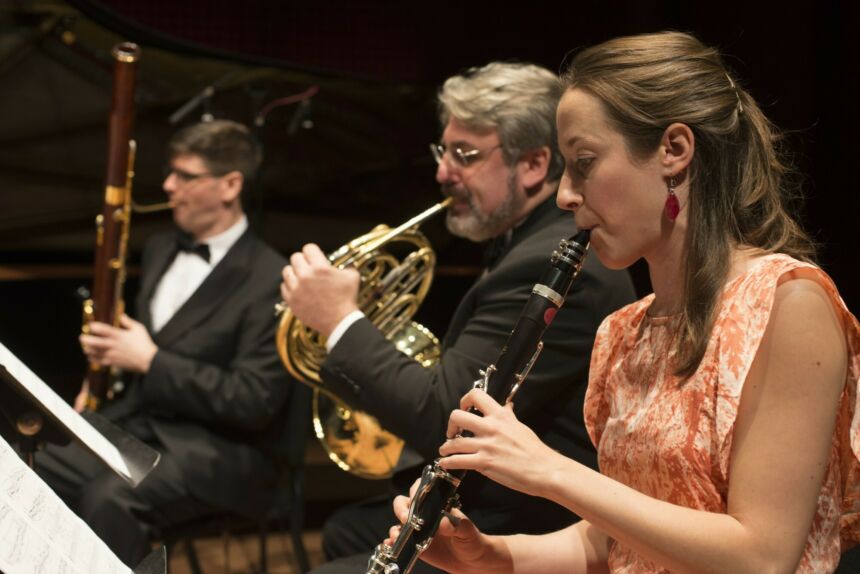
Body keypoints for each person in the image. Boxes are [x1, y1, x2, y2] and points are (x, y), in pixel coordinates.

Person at [388, 31, 860, 574]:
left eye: (584, 162)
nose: (566, 195)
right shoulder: (623, 330)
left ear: (674, 152)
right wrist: (496, 557)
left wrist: (549, 470)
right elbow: (616, 538)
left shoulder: (788, 303)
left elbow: (761, 556)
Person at [281, 62, 636, 572]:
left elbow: (442, 415)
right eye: (442, 151)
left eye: (464, 155)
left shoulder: (550, 259)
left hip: (525, 521)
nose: (442, 172)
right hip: (492, 497)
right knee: (345, 532)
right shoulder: (521, 245)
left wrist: (339, 321)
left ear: (534, 165)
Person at [35, 119, 296, 566]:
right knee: (28, 460)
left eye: (185, 176)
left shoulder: (271, 278)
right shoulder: (159, 249)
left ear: (230, 185)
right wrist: (111, 363)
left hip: (221, 453)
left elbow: (253, 400)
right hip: (140, 426)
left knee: (111, 499)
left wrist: (150, 361)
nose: (168, 185)